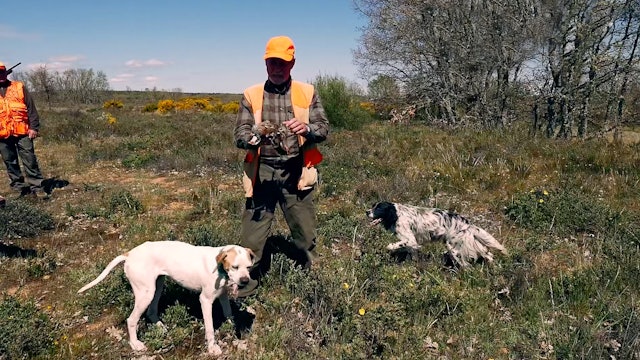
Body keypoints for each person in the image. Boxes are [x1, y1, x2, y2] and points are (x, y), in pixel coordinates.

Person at [234, 36, 329, 296]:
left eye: (283, 63)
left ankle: (312, 284)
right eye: (272, 62)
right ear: (266, 63)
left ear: (292, 63)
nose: (277, 68)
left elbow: (323, 128)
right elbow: (240, 133)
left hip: (296, 171)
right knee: (252, 238)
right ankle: (244, 289)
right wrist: (252, 137)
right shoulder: (251, 94)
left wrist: (307, 129)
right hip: (261, 172)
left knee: (305, 234)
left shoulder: (307, 92)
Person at [0, 61, 65, 196]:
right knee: (10, 161)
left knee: (30, 159)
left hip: (23, 131)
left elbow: (31, 108)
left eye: (2, 72)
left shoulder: (19, 87)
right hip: (2, 134)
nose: (0, 75)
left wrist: (34, 127)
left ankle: (37, 186)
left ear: (6, 73)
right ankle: (19, 187)